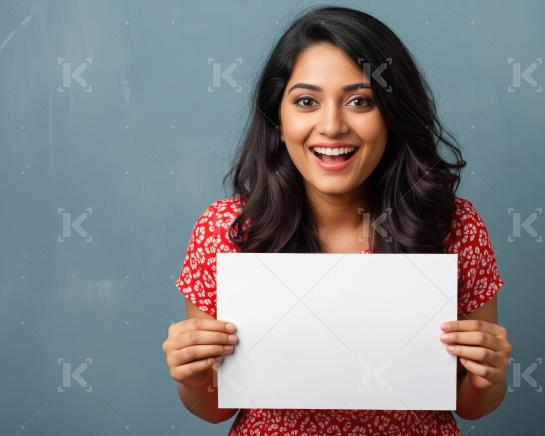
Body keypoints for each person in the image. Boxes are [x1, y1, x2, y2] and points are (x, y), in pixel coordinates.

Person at [161, 6, 512, 435]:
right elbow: (215, 408)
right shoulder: (226, 230)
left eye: (360, 101)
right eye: (306, 101)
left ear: (392, 113)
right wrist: (192, 375)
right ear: (278, 116)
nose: (331, 126)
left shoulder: (454, 226)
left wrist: (487, 373)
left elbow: (471, 405)